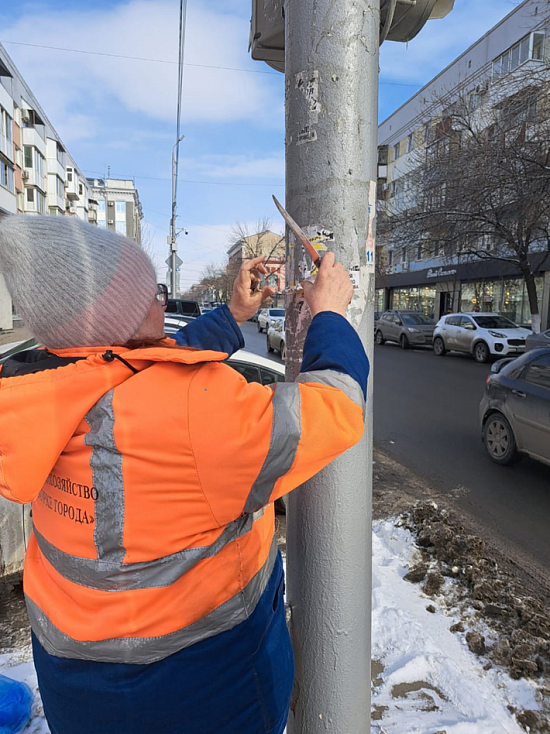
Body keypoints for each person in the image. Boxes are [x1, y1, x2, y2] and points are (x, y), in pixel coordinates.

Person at [0, 215, 368, 734]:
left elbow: (142, 367)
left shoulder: (41, 389)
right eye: (152, 291)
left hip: (76, 690)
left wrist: (233, 315)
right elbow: (334, 408)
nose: (162, 300)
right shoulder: (195, 411)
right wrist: (331, 314)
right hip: (203, 690)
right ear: (118, 315)